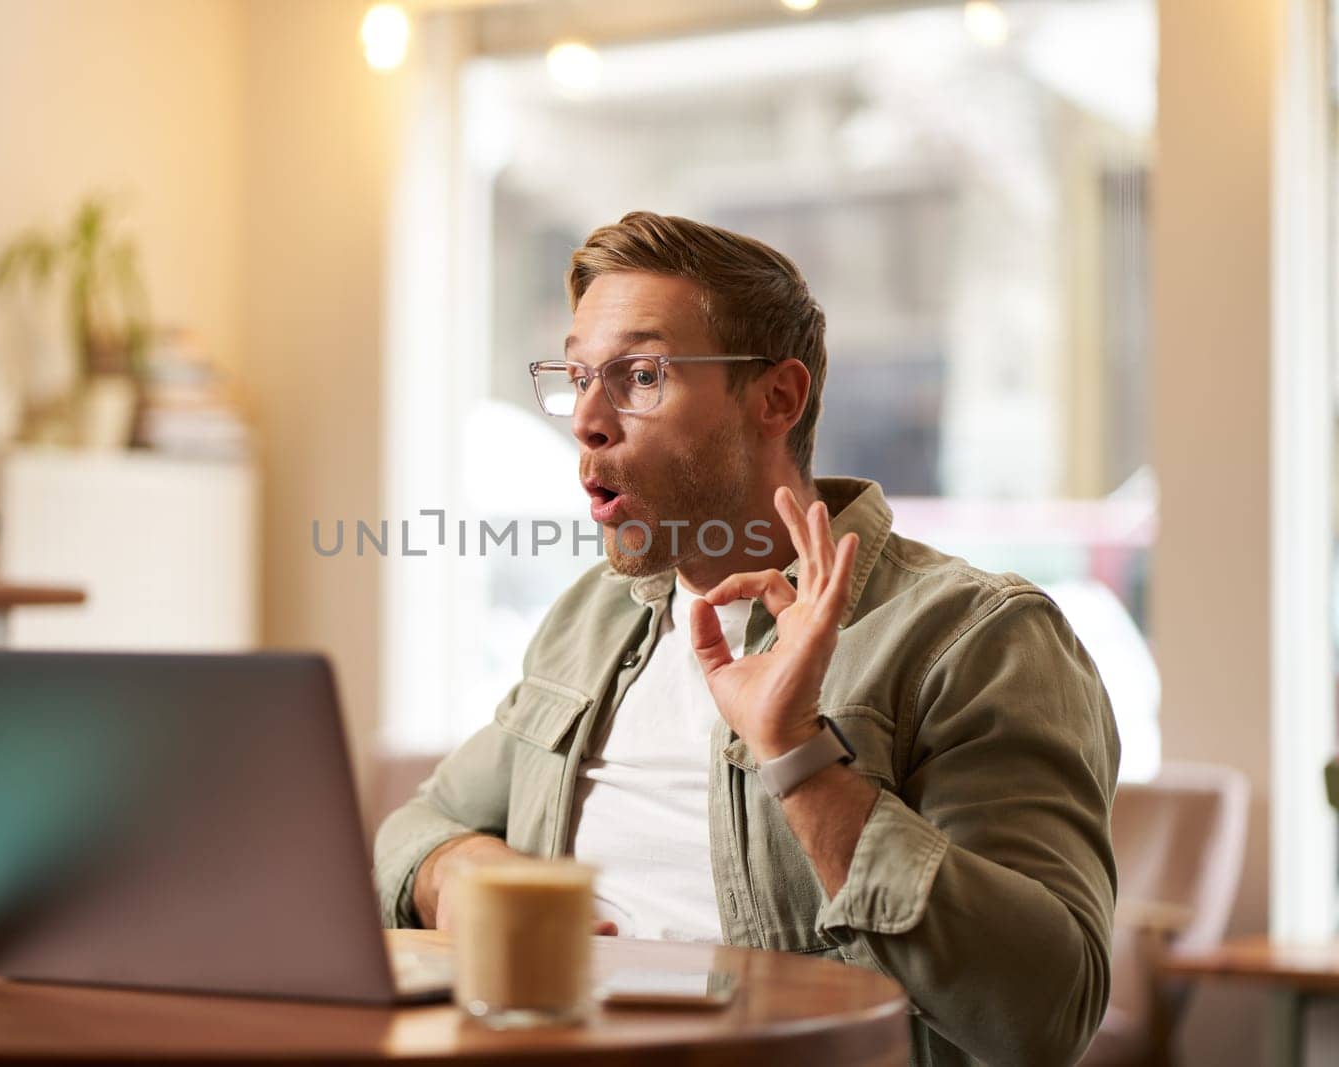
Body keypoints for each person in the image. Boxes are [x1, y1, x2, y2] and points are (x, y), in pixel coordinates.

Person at [373, 211, 1118, 1067]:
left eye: (640, 375)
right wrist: (460, 873)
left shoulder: (975, 636)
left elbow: (1045, 1013)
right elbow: (418, 822)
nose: (586, 418)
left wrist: (798, 757)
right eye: (577, 377)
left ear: (777, 399)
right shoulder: (594, 617)